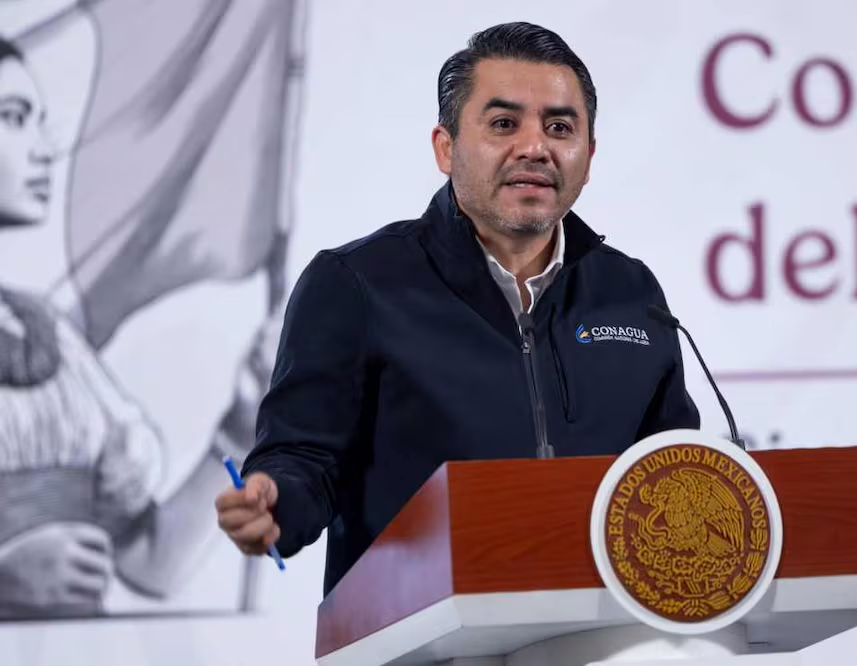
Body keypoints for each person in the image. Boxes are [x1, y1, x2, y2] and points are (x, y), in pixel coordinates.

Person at [219, 22, 700, 596]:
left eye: (559, 127)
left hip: (599, 626)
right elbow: (304, 458)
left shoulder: (630, 290)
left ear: (589, 155)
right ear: (445, 148)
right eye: (504, 124)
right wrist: (276, 501)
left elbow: (670, 472)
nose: (535, 147)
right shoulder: (358, 283)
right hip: (415, 626)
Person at [0, 35, 279, 620]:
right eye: (14, 117)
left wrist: (244, 421)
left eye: (40, 121)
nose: (45, 149)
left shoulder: (48, 335)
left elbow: (153, 563)